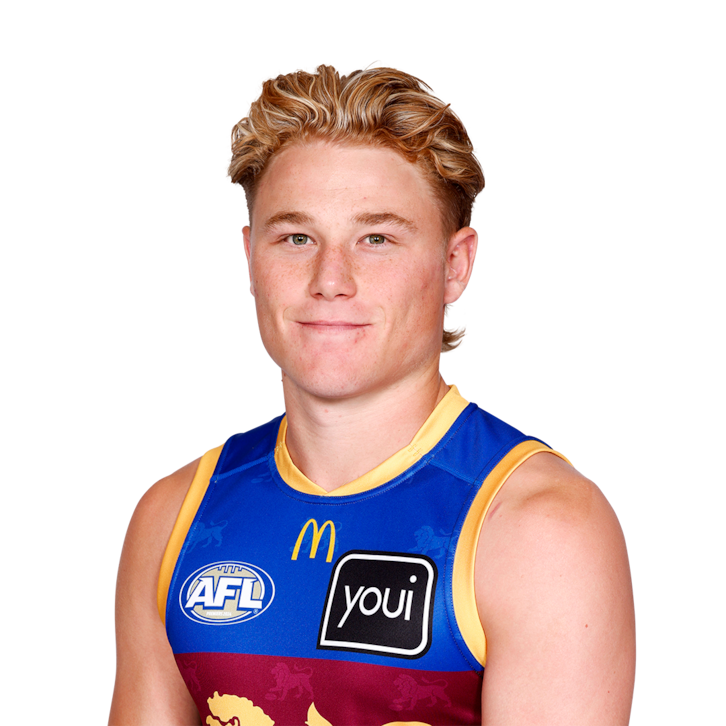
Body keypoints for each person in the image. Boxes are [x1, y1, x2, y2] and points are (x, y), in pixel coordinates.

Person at [108, 59, 637, 726]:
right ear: (249, 258)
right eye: (296, 237)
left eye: (376, 239)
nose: (331, 280)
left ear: (456, 265)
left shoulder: (541, 528)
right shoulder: (173, 516)